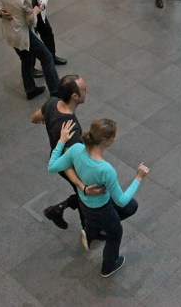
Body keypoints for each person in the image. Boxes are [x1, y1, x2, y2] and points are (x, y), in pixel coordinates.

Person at [48, 118, 150, 278]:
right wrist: (138, 178)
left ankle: (91, 231)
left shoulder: (76, 149)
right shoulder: (105, 169)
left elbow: (52, 166)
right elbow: (121, 200)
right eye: (113, 136)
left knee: (132, 207)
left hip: (85, 202)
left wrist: (61, 141)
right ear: (106, 140)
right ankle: (108, 266)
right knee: (115, 233)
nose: (114, 139)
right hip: (101, 208)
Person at [31, 75, 105, 244]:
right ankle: (88, 230)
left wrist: (47, 121)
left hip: (56, 155)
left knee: (83, 195)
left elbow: (34, 118)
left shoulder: (52, 103)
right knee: (85, 196)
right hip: (68, 166)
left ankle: (60, 210)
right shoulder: (70, 127)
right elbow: (68, 164)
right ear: (75, 96)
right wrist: (82, 186)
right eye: (84, 90)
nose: (87, 92)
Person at [0, 0, 59, 100]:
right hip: (23, 34)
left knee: (26, 59)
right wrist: (37, 10)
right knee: (47, 58)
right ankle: (55, 90)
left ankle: (30, 89)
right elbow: (32, 22)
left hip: (9, 31)